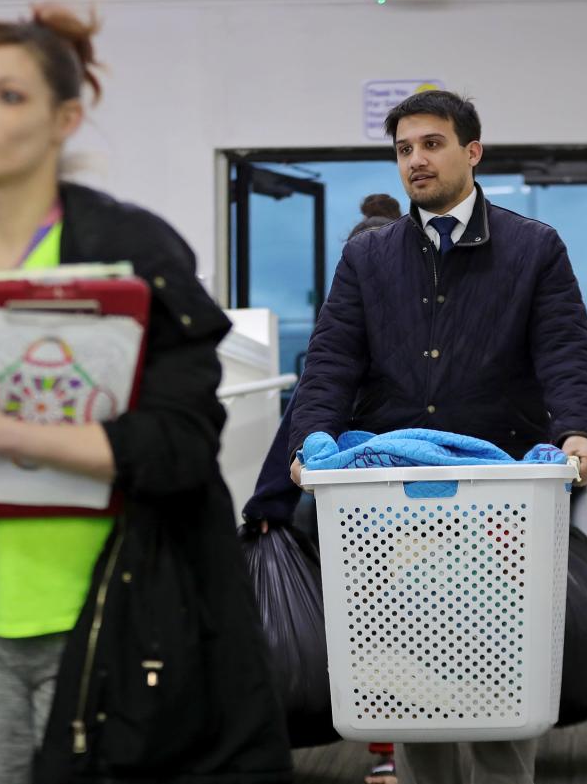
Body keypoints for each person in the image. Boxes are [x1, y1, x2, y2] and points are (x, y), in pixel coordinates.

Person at [0, 4, 291, 784]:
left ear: (65, 116)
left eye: (8, 96)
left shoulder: (129, 254)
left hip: (108, 616)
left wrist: (5, 432)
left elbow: (177, 444)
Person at [287, 90, 587, 784]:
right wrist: (310, 438)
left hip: (500, 494)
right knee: (412, 683)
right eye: (404, 149)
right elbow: (332, 358)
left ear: (472, 150)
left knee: (495, 671)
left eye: (431, 143)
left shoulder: (532, 247)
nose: (416, 160)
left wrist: (578, 432)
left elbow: (565, 353)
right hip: (395, 494)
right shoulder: (369, 258)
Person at [242, 193, 402, 784]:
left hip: (370, 507)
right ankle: (391, 746)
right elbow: (302, 418)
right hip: (362, 508)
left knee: (382, 626)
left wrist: (269, 501)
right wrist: (268, 501)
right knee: (382, 627)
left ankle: (397, 745)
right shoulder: (347, 329)